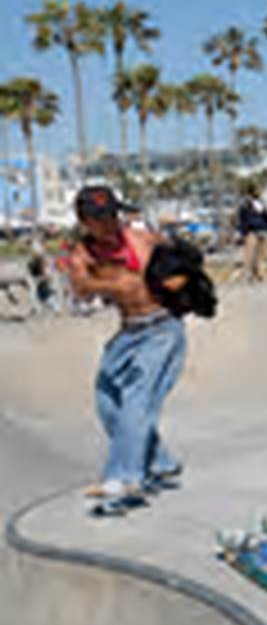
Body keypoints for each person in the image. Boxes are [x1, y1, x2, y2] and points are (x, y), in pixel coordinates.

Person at [67, 187, 190, 516]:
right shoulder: (83, 254)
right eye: (100, 219)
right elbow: (79, 288)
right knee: (108, 400)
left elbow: (183, 256)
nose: (109, 225)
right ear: (84, 221)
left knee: (137, 398)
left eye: (112, 216)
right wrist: (109, 285)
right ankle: (160, 462)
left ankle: (124, 478)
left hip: (162, 329)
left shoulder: (139, 239)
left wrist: (181, 278)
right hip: (129, 332)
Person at [236, 185, 267, 281]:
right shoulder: (245, 204)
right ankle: (249, 273)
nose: (259, 192)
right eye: (257, 190)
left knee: (262, 254)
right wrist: (242, 233)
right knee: (249, 254)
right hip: (251, 231)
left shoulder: (261, 203)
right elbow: (242, 219)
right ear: (252, 192)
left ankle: (261, 274)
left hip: (263, 230)